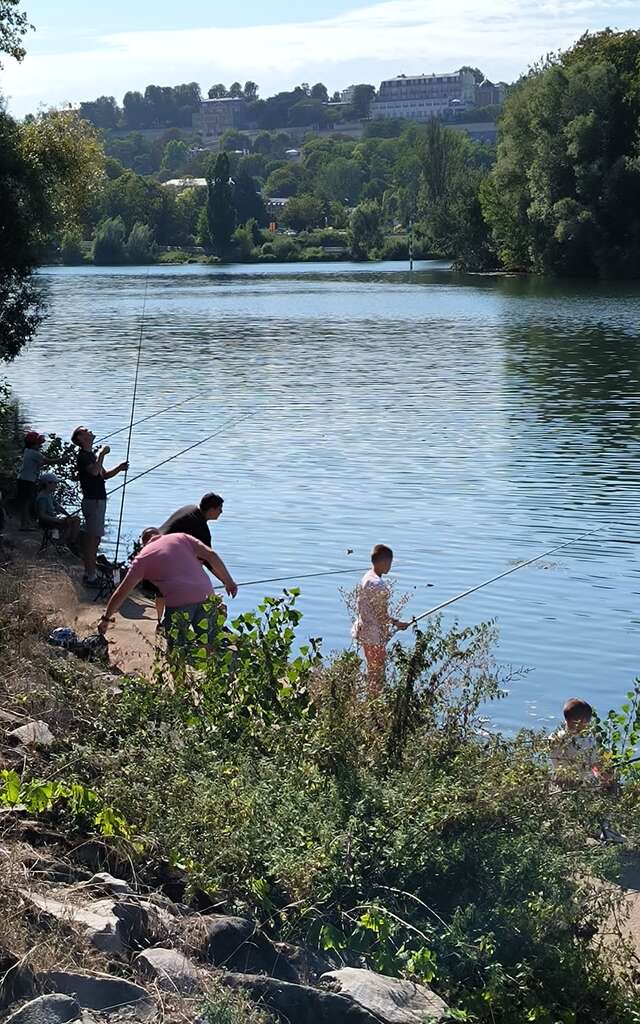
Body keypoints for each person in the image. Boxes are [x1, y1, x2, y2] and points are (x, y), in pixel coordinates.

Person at [97, 529, 238, 651]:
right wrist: (229, 581)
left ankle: (179, 679)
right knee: (207, 643)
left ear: (143, 544)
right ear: (160, 535)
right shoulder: (181, 537)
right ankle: (210, 676)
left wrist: (106, 618)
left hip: (179, 602)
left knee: (176, 649)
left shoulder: (142, 559)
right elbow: (211, 555)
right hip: (207, 593)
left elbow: (122, 592)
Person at [548, 698, 624, 843]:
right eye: (587, 721)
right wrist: (607, 779)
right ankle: (606, 830)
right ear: (582, 721)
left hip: (559, 782)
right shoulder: (586, 741)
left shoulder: (553, 738)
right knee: (614, 788)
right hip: (582, 784)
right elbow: (596, 767)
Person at [151, 492, 225, 623]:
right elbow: (209, 560)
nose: (221, 512)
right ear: (212, 509)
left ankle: (159, 621)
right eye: (219, 509)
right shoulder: (201, 528)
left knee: (162, 590)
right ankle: (170, 622)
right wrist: (225, 580)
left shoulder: (189, 509)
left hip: (155, 548)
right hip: (166, 556)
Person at [71, 425, 128, 588]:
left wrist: (120, 468)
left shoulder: (90, 456)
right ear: (80, 438)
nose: (90, 431)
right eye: (86, 431)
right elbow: (95, 472)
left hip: (98, 501)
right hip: (93, 501)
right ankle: (90, 576)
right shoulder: (83, 456)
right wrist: (102, 453)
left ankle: (91, 573)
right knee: (91, 540)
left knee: (95, 540)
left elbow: (104, 475)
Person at [352, 544, 410, 694]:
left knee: (372, 669)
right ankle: (375, 703)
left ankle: (372, 700)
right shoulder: (378, 585)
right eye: (390, 562)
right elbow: (381, 615)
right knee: (377, 673)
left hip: (364, 630)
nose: (390, 566)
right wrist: (398, 623)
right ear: (384, 562)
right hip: (373, 635)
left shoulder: (367, 577)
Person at [35, 473, 82, 553]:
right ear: (48, 483)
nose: (56, 485)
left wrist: (68, 515)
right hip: (47, 522)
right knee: (75, 520)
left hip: (52, 519)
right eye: (55, 483)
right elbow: (42, 515)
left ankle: (64, 543)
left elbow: (57, 506)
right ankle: (64, 543)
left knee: (73, 520)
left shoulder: (49, 495)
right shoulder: (42, 497)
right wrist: (56, 520)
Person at [16, 430, 46, 530]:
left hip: (22, 479)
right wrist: (62, 460)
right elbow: (47, 461)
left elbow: (40, 463)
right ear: (34, 444)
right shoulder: (34, 453)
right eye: (38, 443)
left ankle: (26, 523)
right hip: (28, 481)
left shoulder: (27, 451)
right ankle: (24, 525)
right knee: (26, 503)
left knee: (25, 503)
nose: (40, 444)